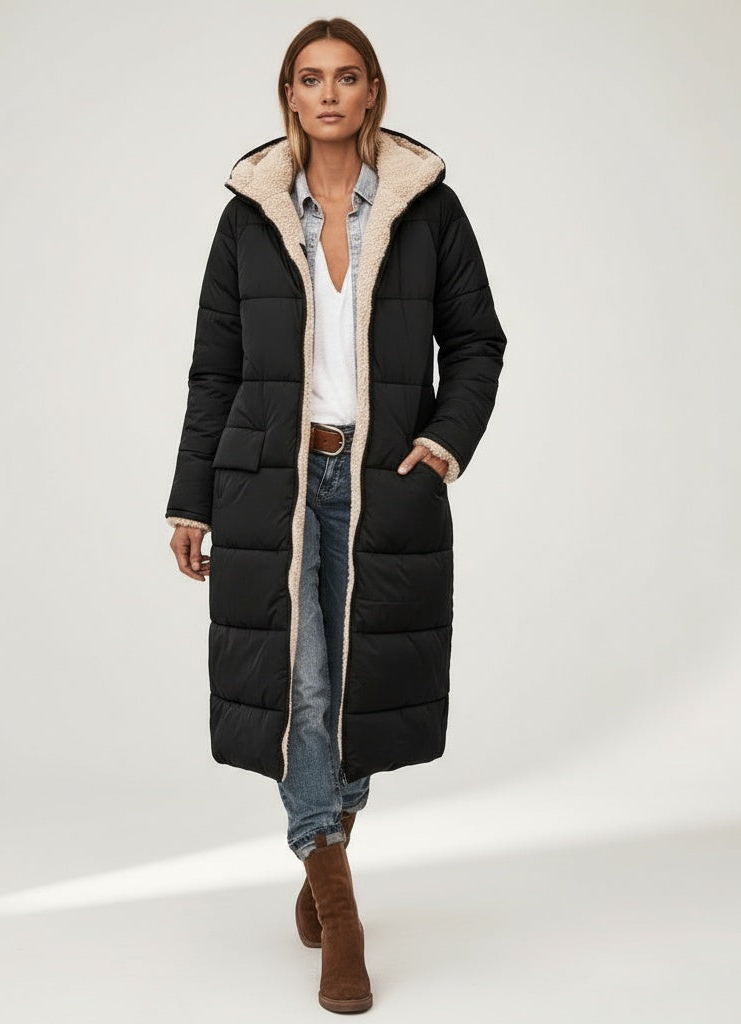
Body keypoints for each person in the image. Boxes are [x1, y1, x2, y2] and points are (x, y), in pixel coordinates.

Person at [165, 17, 507, 1014]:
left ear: (371, 92)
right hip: (270, 482)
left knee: (357, 691)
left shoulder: (427, 210)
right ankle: (341, 908)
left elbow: (477, 342)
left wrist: (440, 443)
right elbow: (214, 370)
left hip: (381, 481)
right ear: (289, 94)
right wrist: (190, 498)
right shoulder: (250, 218)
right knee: (302, 688)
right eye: (310, 78)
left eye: (345, 77)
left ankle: (322, 856)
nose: (327, 94)